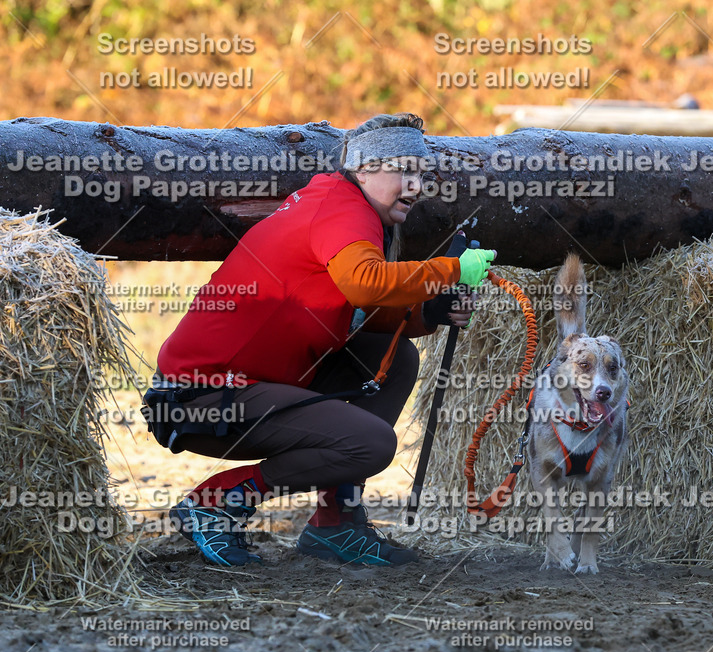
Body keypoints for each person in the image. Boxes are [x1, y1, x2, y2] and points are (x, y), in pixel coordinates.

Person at [144, 113, 495, 567]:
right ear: (364, 169)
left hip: (256, 383)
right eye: (405, 171)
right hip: (199, 396)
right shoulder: (342, 208)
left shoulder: (341, 202)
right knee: (372, 444)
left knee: (395, 360)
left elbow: (352, 311)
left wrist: (429, 312)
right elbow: (366, 283)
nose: (416, 185)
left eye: (422, 174)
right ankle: (216, 501)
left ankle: (336, 523)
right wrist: (453, 270)